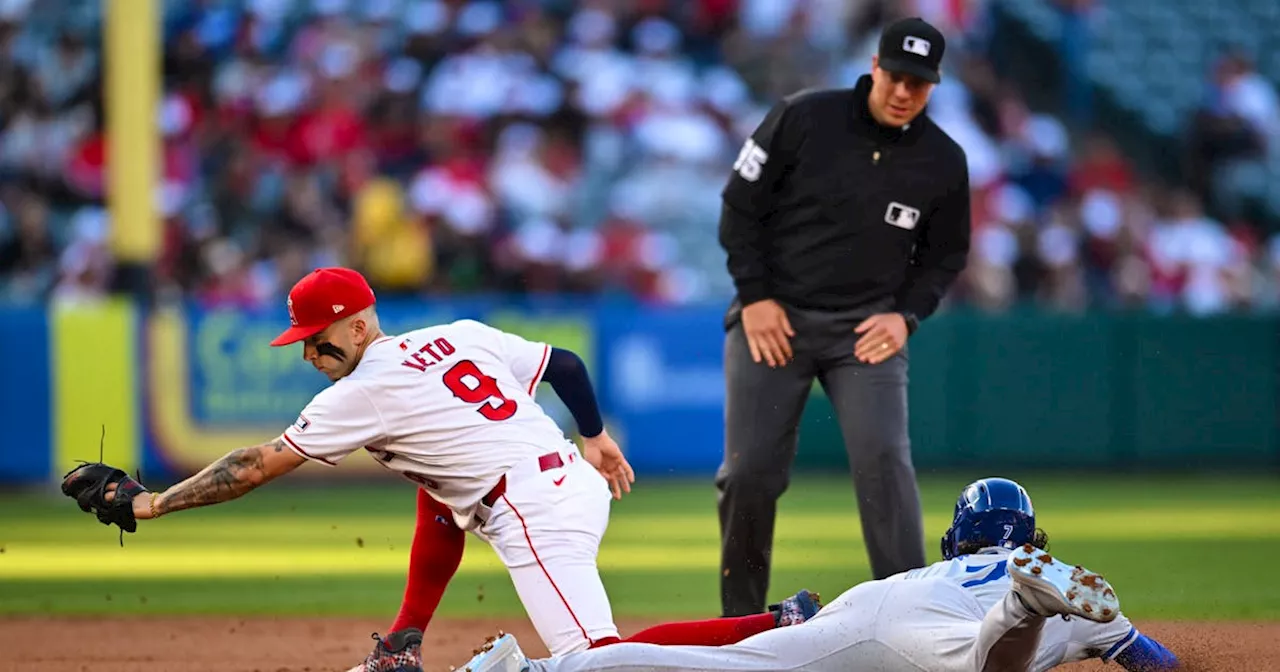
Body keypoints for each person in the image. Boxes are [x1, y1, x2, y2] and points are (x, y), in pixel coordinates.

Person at [63, 267, 822, 671]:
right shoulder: (455, 334)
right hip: (563, 478)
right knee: (440, 491)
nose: (308, 354)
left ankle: (775, 625)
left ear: (359, 327)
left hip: (535, 510)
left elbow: (257, 464)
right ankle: (402, 645)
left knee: (598, 665)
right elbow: (565, 363)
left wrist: (152, 504)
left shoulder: (366, 391)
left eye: (317, 338)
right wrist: (596, 437)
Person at [714, 15, 973, 617]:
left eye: (921, 82)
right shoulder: (803, 117)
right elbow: (738, 209)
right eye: (899, 76)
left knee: (885, 463)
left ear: (934, 86)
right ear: (875, 67)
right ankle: (740, 624)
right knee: (749, 473)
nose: (906, 92)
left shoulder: (942, 159)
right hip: (775, 318)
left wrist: (906, 317)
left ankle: (915, 620)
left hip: (866, 329)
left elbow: (945, 257)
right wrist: (754, 297)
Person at [456, 477, 1182, 672]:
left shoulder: (933, 569)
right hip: (973, 636)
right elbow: (1160, 665)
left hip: (886, 613)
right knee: (986, 658)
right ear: (1034, 539)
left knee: (728, 668)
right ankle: (1022, 610)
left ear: (958, 540)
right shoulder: (1096, 609)